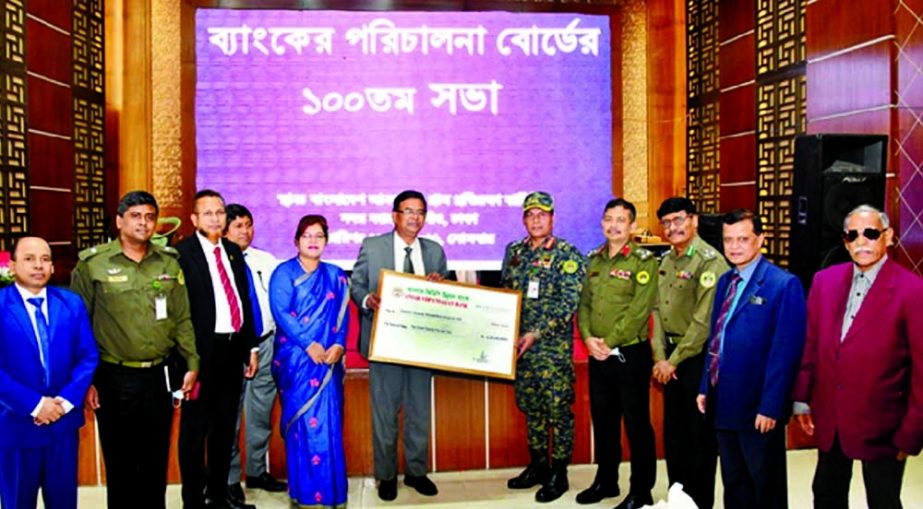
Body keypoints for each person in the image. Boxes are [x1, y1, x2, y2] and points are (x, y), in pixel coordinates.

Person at [71, 190, 199, 509]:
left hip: (160, 375)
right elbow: (77, 326)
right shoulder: (93, 265)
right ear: (119, 221)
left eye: (149, 216)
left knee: (155, 461)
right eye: (135, 216)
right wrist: (86, 381)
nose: (144, 222)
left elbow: (182, 317)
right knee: (121, 463)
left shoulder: (168, 261)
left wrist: (192, 361)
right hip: (114, 377)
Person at [792, 204, 923, 509]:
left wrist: (912, 432)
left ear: (888, 237)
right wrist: (802, 399)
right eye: (853, 235)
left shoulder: (912, 290)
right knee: (825, 495)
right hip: (831, 417)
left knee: (883, 500)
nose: (861, 241)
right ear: (845, 241)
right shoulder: (825, 282)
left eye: (871, 233)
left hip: (885, 425)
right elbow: (811, 344)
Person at [696, 208, 806, 509]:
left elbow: (785, 353)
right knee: (735, 482)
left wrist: (771, 406)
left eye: (743, 239)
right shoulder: (725, 281)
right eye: (728, 239)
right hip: (723, 400)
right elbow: (716, 337)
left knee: (764, 485)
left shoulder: (783, 285)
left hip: (758, 407)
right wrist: (706, 385)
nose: (734, 246)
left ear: (761, 240)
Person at [350, 189, 448, 501]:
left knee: (419, 412)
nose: (414, 217)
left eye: (420, 212)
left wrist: (441, 289)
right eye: (408, 211)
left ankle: (417, 472)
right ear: (395, 215)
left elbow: (448, 296)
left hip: (421, 345)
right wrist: (369, 299)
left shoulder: (434, 251)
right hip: (384, 342)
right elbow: (356, 286)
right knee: (385, 413)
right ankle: (387, 476)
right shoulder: (373, 245)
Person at [176, 189, 260, 509]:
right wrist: (185, 360)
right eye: (208, 213)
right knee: (195, 432)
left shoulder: (233, 251)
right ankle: (193, 501)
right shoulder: (181, 254)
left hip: (231, 350)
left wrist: (250, 347)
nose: (215, 218)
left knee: (225, 429)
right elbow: (178, 313)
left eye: (220, 212)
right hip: (199, 357)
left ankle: (218, 496)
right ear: (195, 219)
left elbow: (244, 301)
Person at [0, 236, 98, 509]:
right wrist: (35, 404)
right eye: (29, 259)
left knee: (64, 501)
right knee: (18, 501)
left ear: (54, 267)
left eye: (45, 259)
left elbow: (87, 356)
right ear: (12, 266)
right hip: (15, 424)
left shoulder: (71, 303)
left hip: (62, 426)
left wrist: (64, 403)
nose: (38, 265)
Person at [501, 191, 586, 503]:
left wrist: (536, 333)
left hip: (551, 351)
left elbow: (568, 305)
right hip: (519, 351)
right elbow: (505, 296)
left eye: (542, 214)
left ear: (552, 218)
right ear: (524, 219)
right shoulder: (514, 252)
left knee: (558, 411)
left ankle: (559, 472)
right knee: (532, 409)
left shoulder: (567, 254)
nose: (536, 220)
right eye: (530, 215)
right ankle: (538, 465)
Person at [575, 198, 657, 509]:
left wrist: (608, 340)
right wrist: (587, 337)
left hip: (629, 356)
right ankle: (606, 481)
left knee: (636, 425)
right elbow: (584, 305)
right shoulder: (594, 260)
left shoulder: (643, 260)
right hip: (598, 356)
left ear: (632, 225)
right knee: (604, 422)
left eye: (621, 220)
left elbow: (639, 311)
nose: (614, 225)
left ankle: (641, 490)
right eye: (608, 219)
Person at [650, 197, 727, 509]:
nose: (673, 227)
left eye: (679, 220)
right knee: (675, 436)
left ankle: (700, 503)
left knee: (699, 439)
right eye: (666, 222)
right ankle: (678, 499)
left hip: (696, 359)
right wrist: (658, 357)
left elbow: (703, 322)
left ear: (694, 220)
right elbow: (655, 309)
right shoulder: (667, 260)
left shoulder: (710, 261)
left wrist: (673, 360)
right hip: (668, 358)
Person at [270, 214, 349, 508]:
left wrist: (339, 345)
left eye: (319, 235)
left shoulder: (336, 275)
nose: (313, 241)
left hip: (328, 362)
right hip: (297, 361)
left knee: (329, 424)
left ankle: (332, 495)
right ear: (296, 241)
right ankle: (303, 495)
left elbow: (342, 317)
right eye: (307, 236)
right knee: (302, 425)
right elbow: (282, 313)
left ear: (326, 241)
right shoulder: (284, 273)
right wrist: (308, 344)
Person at [224, 204, 286, 503]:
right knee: (230, 417)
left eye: (248, 224)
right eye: (238, 226)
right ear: (223, 229)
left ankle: (257, 471)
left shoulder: (267, 260)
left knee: (261, 413)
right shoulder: (218, 263)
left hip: (266, 343)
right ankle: (230, 478)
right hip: (231, 348)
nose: (245, 231)